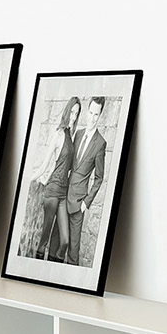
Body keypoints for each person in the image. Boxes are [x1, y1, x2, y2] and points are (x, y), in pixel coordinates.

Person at [21, 97, 80, 262]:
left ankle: (53, 271)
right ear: (67, 112)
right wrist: (27, 181)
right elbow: (44, 166)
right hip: (52, 192)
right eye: (72, 112)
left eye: (77, 113)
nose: (74, 116)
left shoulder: (71, 135)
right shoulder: (58, 134)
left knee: (65, 241)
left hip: (63, 193)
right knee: (44, 240)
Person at [62, 95, 110, 266]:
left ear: (100, 115)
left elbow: (99, 178)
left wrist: (86, 203)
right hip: (63, 197)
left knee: (73, 251)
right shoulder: (79, 133)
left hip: (78, 203)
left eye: (96, 114)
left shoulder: (100, 144)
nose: (92, 118)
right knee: (58, 244)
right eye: (90, 112)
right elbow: (68, 162)